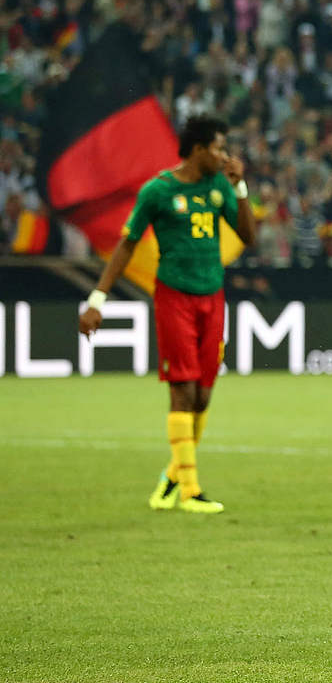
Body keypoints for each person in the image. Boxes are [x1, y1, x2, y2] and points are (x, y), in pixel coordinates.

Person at [77, 116, 257, 514]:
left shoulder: (217, 187)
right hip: (175, 298)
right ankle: (191, 492)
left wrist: (240, 188)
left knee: (204, 394)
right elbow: (125, 246)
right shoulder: (158, 192)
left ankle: (171, 479)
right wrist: (97, 300)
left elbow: (248, 235)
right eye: (218, 147)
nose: (223, 155)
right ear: (197, 150)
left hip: (213, 297)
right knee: (183, 390)